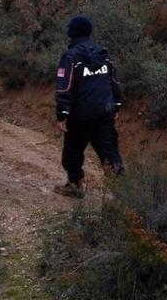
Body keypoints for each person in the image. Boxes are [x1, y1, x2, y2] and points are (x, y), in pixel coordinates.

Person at [53, 16, 125, 198]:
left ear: (72, 33)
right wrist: (116, 105)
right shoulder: (103, 54)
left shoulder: (71, 57)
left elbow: (64, 86)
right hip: (105, 111)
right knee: (109, 151)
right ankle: (124, 192)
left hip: (80, 115)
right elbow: (114, 81)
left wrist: (62, 114)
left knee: (73, 152)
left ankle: (75, 185)